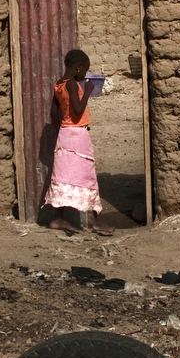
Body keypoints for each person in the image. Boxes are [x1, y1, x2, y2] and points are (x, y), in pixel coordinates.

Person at [44, 48, 110, 236]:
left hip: (65, 135)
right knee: (88, 176)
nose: (85, 74)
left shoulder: (58, 84)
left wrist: (62, 133)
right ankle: (98, 221)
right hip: (78, 136)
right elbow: (78, 109)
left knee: (63, 177)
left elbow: (54, 113)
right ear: (78, 67)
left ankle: (58, 217)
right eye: (85, 70)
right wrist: (88, 90)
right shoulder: (72, 85)